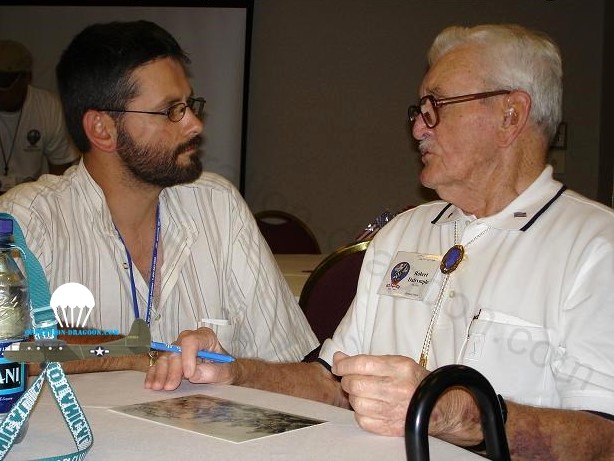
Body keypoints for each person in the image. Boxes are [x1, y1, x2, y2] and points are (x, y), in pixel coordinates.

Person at [146, 24, 614, 459]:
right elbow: (332, 383)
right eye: (419, 110)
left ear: (511, 114)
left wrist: (455, 411)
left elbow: (604, 437)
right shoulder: (404, 233)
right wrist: (234, 372)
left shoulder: (595, 247)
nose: (417, 128)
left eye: (436, 106)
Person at [0, 21, 318, 373]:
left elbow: (290, 363)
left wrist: (238, 374)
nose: (195, 124)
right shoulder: (29, 219)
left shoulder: (218, 206)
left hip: (204, 428)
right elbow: (11, 349)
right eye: (171, 110)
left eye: (190, 104)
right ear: (102, 129)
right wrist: (140, 355)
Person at [0, 39, 79, 193]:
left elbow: (60, 172)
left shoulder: (49, 107)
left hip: (32, 196)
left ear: (26, 78)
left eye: (4, 83)